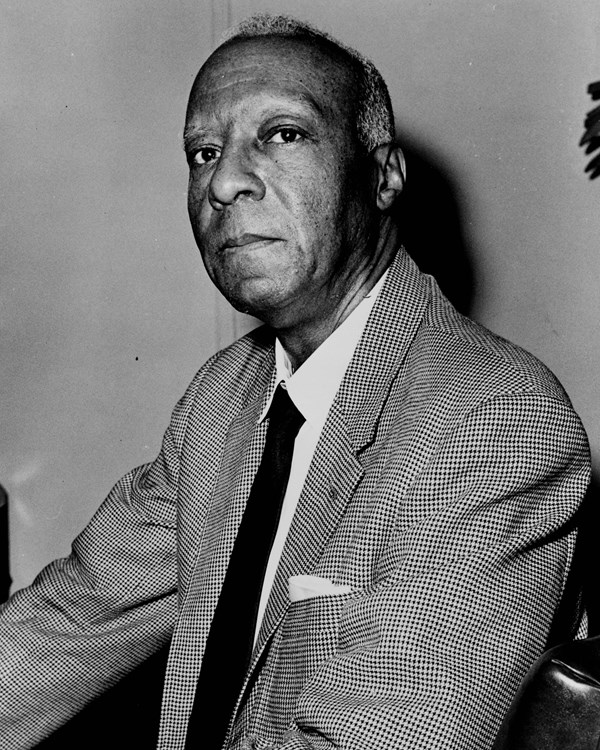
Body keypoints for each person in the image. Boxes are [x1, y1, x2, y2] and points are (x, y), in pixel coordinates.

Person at [0, 14, 592, 750]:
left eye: (282, 134)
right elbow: (70, 622)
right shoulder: (226, 396)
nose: (223, 180)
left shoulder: (495, 422)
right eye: (203, 151)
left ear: (382, 174)